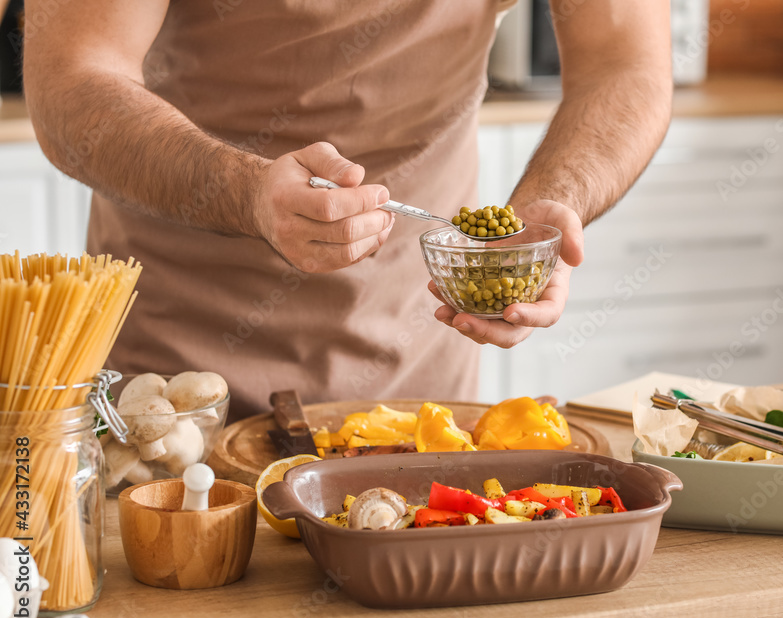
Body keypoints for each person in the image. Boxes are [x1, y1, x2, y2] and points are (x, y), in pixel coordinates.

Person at [23, 0, 672, 421]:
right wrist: (245, 190)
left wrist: (555, 198)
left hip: (421, 386)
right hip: (170, 394)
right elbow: (72, 77)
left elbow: (626, 62)